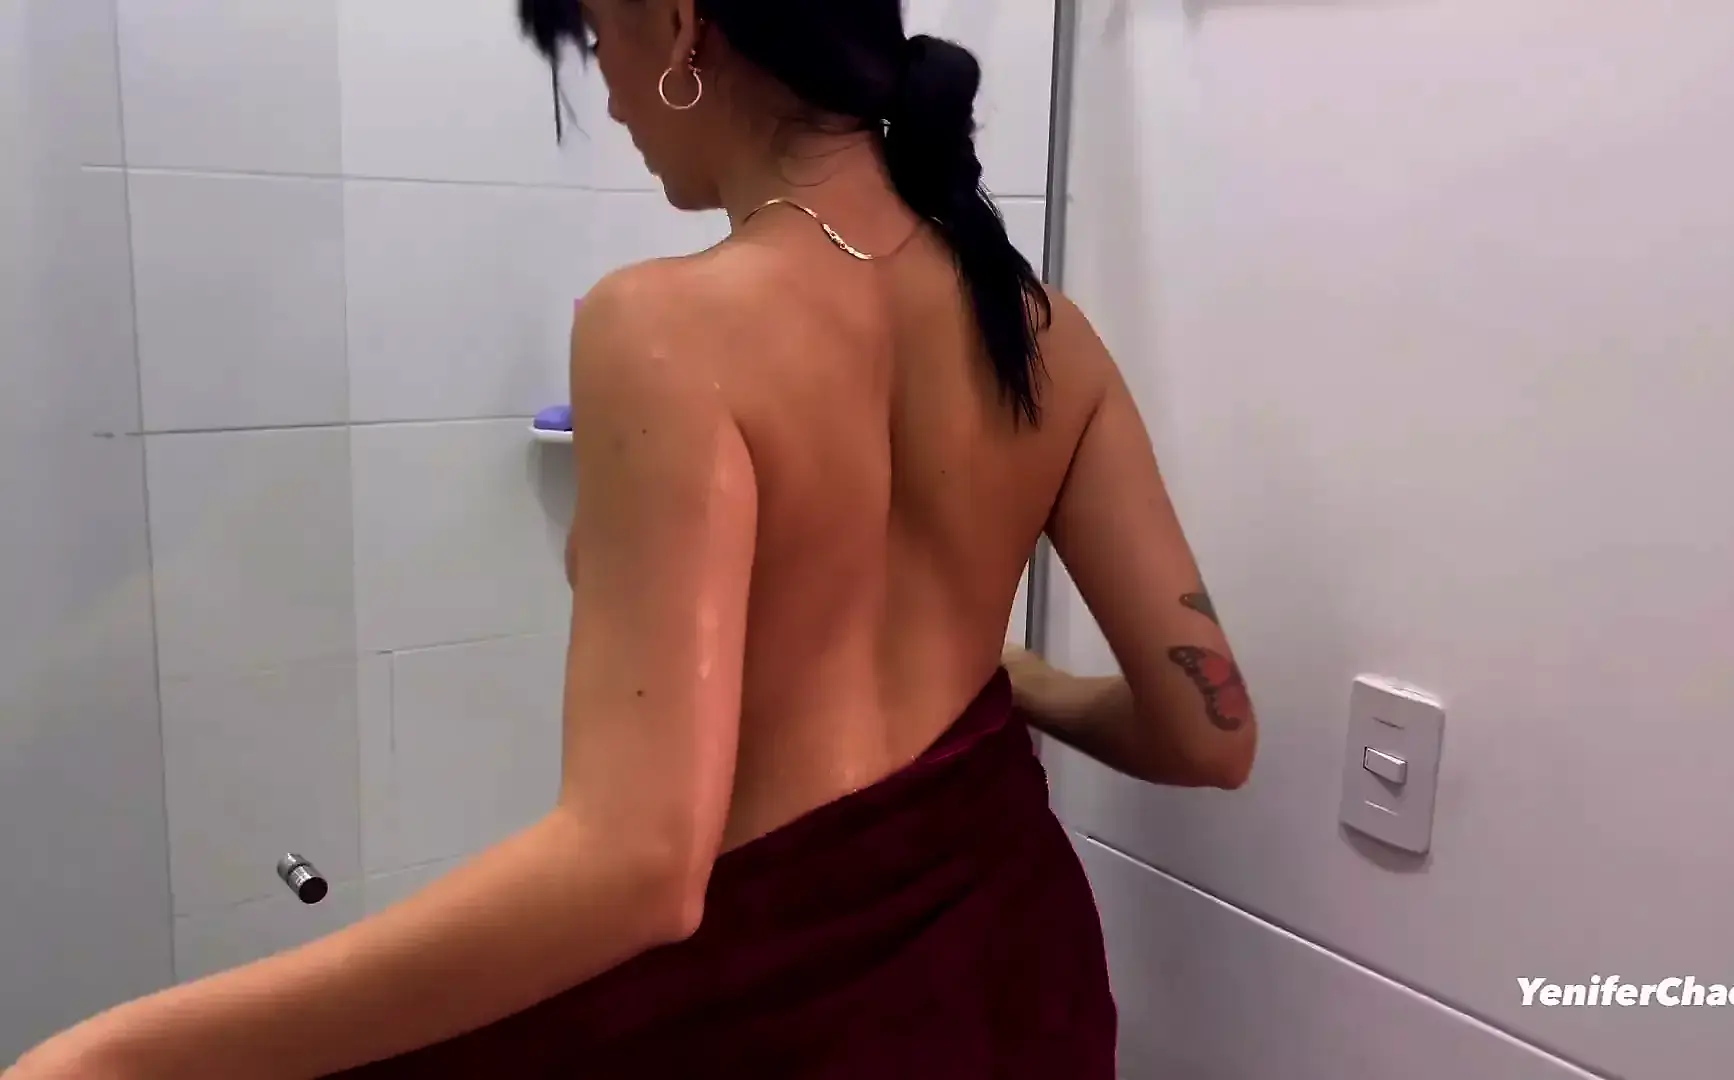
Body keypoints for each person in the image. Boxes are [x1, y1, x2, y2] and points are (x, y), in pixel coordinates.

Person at [4, 1, 1257, 1076]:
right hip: (1011, 980)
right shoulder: (1048, 335)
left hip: (781, 1020)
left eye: (598, 40)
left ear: (678, 23)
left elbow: (637, 868)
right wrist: (1018, 680)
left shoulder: (662, 328)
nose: (608, 97)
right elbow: (1209, 736)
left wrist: (124, 1054)